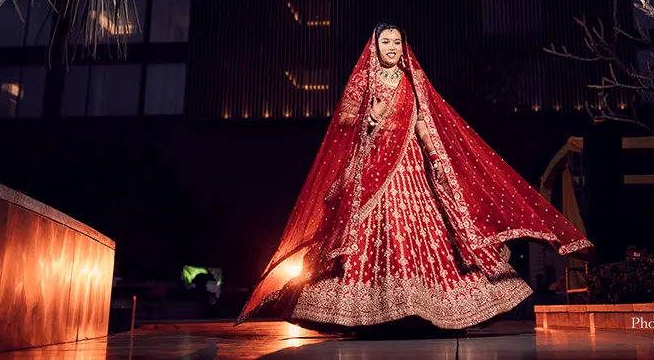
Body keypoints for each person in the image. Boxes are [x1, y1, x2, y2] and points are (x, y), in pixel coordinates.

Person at [235, 23, 592, 334]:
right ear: (375, 47)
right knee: (374, 230)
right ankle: (373, 314)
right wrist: (369, 115)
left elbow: (423, 122)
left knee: (429, 231)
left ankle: (429, 310)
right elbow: (344, 119)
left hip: (413, 169)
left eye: (397, 42)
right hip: (373, 169)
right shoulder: (365, 80)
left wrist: (435, 155)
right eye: (385, 42)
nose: (392, 47)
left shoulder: (412, 80)